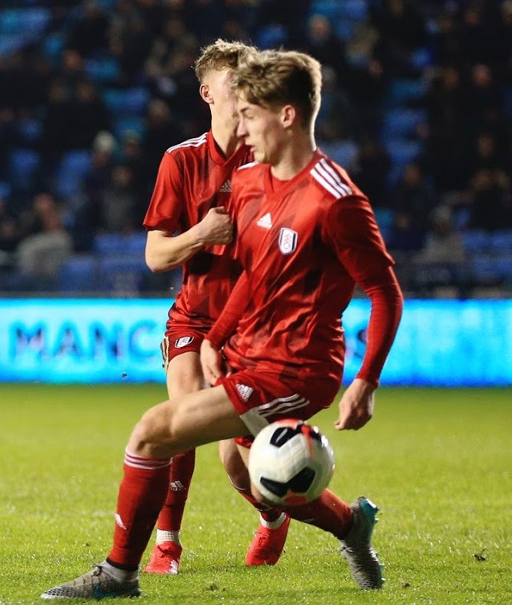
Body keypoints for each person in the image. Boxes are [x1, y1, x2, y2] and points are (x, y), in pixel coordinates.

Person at [42, 49, 403, 599]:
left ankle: (120, 575)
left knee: (153, 432)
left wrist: (367, 380)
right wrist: (214, 337)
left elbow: (385, 291)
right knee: (251, 474)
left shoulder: (336, 201)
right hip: (246, 347)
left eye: (251, 114)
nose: (242, 127)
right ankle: (350, 525)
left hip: (296, 366)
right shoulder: (255, 181)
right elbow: (254, 275)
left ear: (285, 115)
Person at [140, 39, 291, 575]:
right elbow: (156, 254)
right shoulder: (180, 160)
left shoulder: (269, 161)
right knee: (178, 420)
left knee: (238, 463)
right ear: (208, 92)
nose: (246, 93)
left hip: (253, 326)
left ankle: (274, 518)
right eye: (235, 83)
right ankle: (166, 544)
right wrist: (201, 233)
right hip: (194, 315)